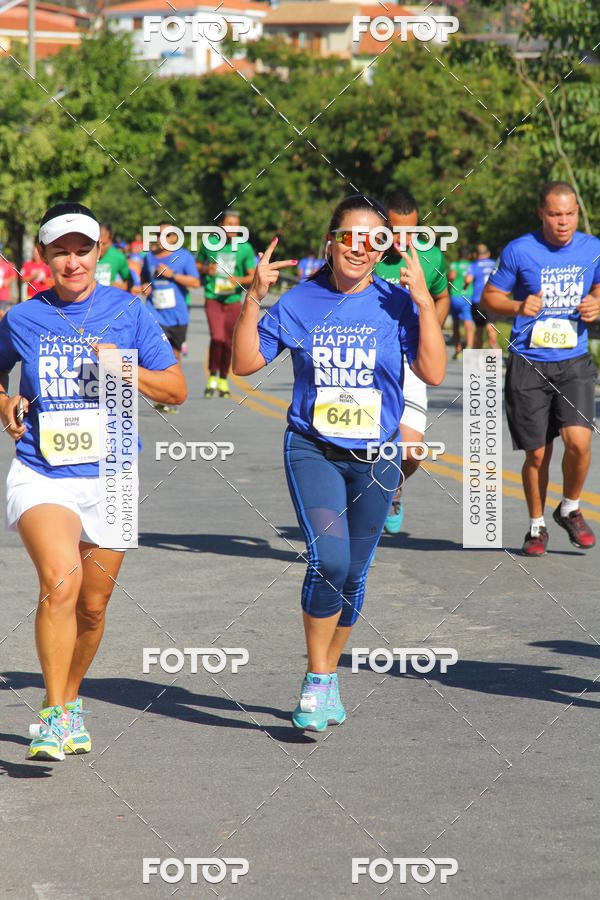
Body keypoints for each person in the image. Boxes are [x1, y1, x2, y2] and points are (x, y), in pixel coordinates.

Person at [232, 194, 446, 732]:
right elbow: (245, 364)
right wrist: (254, 300)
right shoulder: (300, 302)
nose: (359, 248)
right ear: (330, 242)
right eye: (349, 236)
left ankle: (325, 677)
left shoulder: (396, 303)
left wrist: (423, 304)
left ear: (384, 249)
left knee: (354, 571)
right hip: (314, 449)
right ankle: (318, 676)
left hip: (377, 457)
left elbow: (434, 372)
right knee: (328, 559)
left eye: (374, 240)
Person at [0, 201, 186, 761]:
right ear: (43, 258)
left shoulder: (129, 313)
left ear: (98, 253)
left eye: (83, 250)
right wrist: (5, 400)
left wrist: (125, 370)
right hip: (42, 471)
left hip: (114, 477)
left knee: (93, 606)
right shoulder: (20, 319)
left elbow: (175, 391)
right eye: (61, 252)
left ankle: (71, 697)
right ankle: (54, 715)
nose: (73, 261)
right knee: (61, 582)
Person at [481, 180, 600, 556]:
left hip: (574, 361)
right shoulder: (519, 250)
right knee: (537, 455)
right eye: (554, 214)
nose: (562, 222)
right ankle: (536, 527)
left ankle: (569, 507)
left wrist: (597, 303)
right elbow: (488, 298)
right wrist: (518, 307)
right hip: (529, 364)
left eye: (569, 214)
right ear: (541, 214)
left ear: (576, 213)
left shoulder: (592, 248)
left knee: (579, 442)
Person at [375, 189, 450, 533]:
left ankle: (394, 486)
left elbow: (442, 296)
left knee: (410, 452)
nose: (403, 239)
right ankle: (363, 514)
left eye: (411, 231)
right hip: (370, 362)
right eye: (395, 231)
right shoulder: (367, 254)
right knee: (363, 445)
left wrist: (430, 323)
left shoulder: (430, 256)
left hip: (411, 361)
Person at [141, 222, 200, 411]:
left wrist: (172, 275)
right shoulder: (149, 257)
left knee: (174, 355)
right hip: (155, 314)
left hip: (177, 316)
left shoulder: (184, 257)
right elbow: (144, 279)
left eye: (167, 235)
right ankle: (159, 395)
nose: (161, 239)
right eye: (158, 235)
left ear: (175, 238)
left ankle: (171, 393)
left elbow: (195, 282)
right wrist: (146, 287)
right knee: (158, 353)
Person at [197, 210, 255, 398]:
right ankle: (212, 375)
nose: (232, 228)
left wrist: (238, 279)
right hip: (213, 297)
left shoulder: (245, 248)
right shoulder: (209, 244)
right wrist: (207, 269)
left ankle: (223, 378)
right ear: (220, 225)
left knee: (229, 341)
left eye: (236, 225)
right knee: (217, 337)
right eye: (229, 224)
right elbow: (197, 264)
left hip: (232, 300)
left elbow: (252, 275)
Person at [468, 244, 498, 350]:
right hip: (492, 301)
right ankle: (493, 345)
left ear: (476, 254)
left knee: (479, 329)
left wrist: (465, 285)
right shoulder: (495, 264)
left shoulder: (474, 265)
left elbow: (468, 280)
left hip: (478, 301)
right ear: (488, 253)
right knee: (491, 325)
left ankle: (478, 357)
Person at [448, 246, 474, 358]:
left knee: (455, 323)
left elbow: (452, 276)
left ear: (458, 255)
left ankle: (458, 349)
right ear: (468, 256)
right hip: (467, 296)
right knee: (468, 321)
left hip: (455, 296)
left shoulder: (455, 265)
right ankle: (469, 347)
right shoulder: (471, 266)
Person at [95, 224, 132, 291]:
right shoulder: (85, 256)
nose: (100, 249)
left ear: (110, 241)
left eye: (104, 244)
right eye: (97, 245)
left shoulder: (118, 256)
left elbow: (130, 284)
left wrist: (117, 287)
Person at [0, 252, 17, 316]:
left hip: (4, 295)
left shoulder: (7, 264)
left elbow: (14, 276)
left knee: (2, 313)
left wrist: (8, 280)